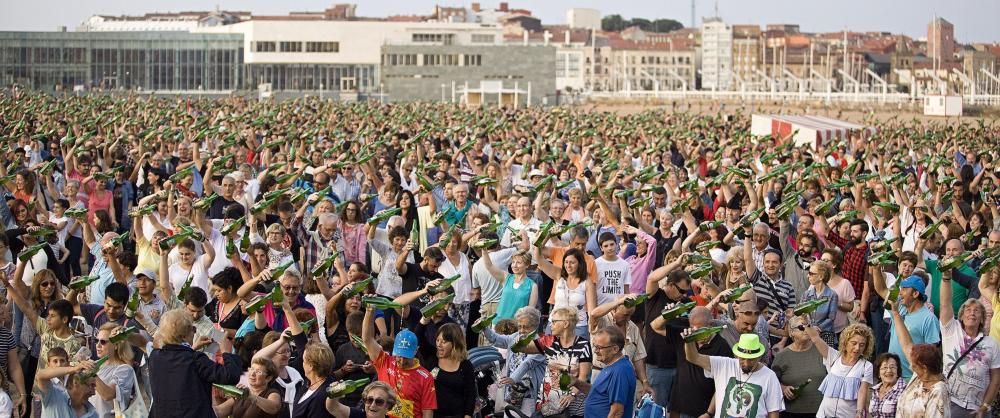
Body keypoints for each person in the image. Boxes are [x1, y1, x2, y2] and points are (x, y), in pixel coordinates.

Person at [148, 309, 242, 418]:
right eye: (193, 328)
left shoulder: (155, 356)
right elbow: (230, 375)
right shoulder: (195, 359)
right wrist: (226, 352)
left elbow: (178, 363)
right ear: (184, 335)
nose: (195, 331)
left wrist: (192, 349)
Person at [938, 268, 1000, 417]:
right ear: (961, 314)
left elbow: (996, 378)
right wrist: (946, 278)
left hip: (977, 409)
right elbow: (945, 304)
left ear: (982, 318)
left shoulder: (991, 344)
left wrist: (984, 407)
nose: (972, 312)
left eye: (977, 310)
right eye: (968, 310)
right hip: (951, 403)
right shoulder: (951, 330)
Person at [650, 306, 732, 418]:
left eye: (701, 329)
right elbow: (655, 326)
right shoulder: (684, 335)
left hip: (702, 410)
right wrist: (668, 314)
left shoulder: (722, 347)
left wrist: (709, 412)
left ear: (711, 325)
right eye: (693, 329)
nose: (696, 334)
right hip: (679, 405)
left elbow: (724, 383)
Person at [684, 332, 785, 418]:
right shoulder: (724, 364)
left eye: (751, 360)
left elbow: (773, 411)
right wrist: (688, 340)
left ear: (759, 357)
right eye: (742, 358)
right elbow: (693, 357)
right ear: (737, 355)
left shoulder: (769, 376)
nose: (746, 363)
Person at [361, 305, 437, 418]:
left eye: (406, 356)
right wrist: (369, 311)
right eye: (398, 355)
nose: (401, 360)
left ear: (416, 351)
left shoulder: (425, 377)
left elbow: (427, 412)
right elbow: (367, 339)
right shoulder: (384, 361)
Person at [889, 298, 950, 418]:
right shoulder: (920, 376)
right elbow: (906, 344)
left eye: (914, 364)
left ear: (925, 367)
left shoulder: (938, 392)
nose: (910, 365)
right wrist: (896, 313)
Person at [872, 272, 940, 379]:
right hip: (892, 374)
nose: (900, 293)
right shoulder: (899, 307)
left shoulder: (929, 319)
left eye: (904, 289)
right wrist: (876, 269)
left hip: (911, 377)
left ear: (915, 294)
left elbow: (930, 356)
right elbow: (881, 289)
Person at [804, 322, 874, 418]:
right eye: (854, 343)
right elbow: (816, 339)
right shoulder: (834, 356)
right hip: (824, 415)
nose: (857, 348)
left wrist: (859, 412)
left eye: (862, 345)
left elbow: (863, 390)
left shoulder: (867, 366)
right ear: (846, 342)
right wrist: (807, 323)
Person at [770, 315, 825, 418]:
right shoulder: (782, 356)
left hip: (820, 411)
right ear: (791, 333)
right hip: (791, 412)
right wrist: (783, 388)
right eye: (801, 327)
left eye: (808, 326)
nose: (806, 330)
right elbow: (772, 381)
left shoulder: (821, 350)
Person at [581, 326, 635, 418]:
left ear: (615, 349)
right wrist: (576, 382)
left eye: (599, 347)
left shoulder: (620, 371)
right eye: (595, 346)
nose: (595, 351)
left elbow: (617, 412)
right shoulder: (611, 365)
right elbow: (598, 392)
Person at [89, 323, 137, 418]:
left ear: (116, 345)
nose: (98, 345)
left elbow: (108, 395)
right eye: (96, 340)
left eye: (103, 342)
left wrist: (92, 374)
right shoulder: (96, 364)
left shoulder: (125, 369)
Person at [430, 323, 475, 418]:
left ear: (454, 343)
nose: (439, 344)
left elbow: (471, 395)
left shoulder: (465, 366)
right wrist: (423, 321)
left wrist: (468, 416)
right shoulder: (432, 360)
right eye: (437, 340)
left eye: (444, 341)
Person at [213, 357, 283, 418]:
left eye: (258, 372)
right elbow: (218, 412)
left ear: (268, 378)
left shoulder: (272, 393)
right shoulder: (243, 392)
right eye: (252, 369)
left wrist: (251, 396)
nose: (252, 374)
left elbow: (274, 408)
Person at [35, 352, 97, 418]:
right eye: (91, 386)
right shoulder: (53, 396)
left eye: (62, 361)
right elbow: (40, 375)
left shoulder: (93, 414)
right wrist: (74, 369)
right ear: (76, 382)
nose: (94, 393)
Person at [325, 381, 398, 418]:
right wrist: (335, 393)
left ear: (388, 406)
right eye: (370, 399)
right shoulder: (358, 415)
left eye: (379, 402)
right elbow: (332, 407)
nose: (372, 405)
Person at [868, 353, 906, 418]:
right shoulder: (876, 390)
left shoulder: (904, 390)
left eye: (892, 367)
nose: (889, 370)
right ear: (879, 373)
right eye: (885, 367)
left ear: (897, 371)